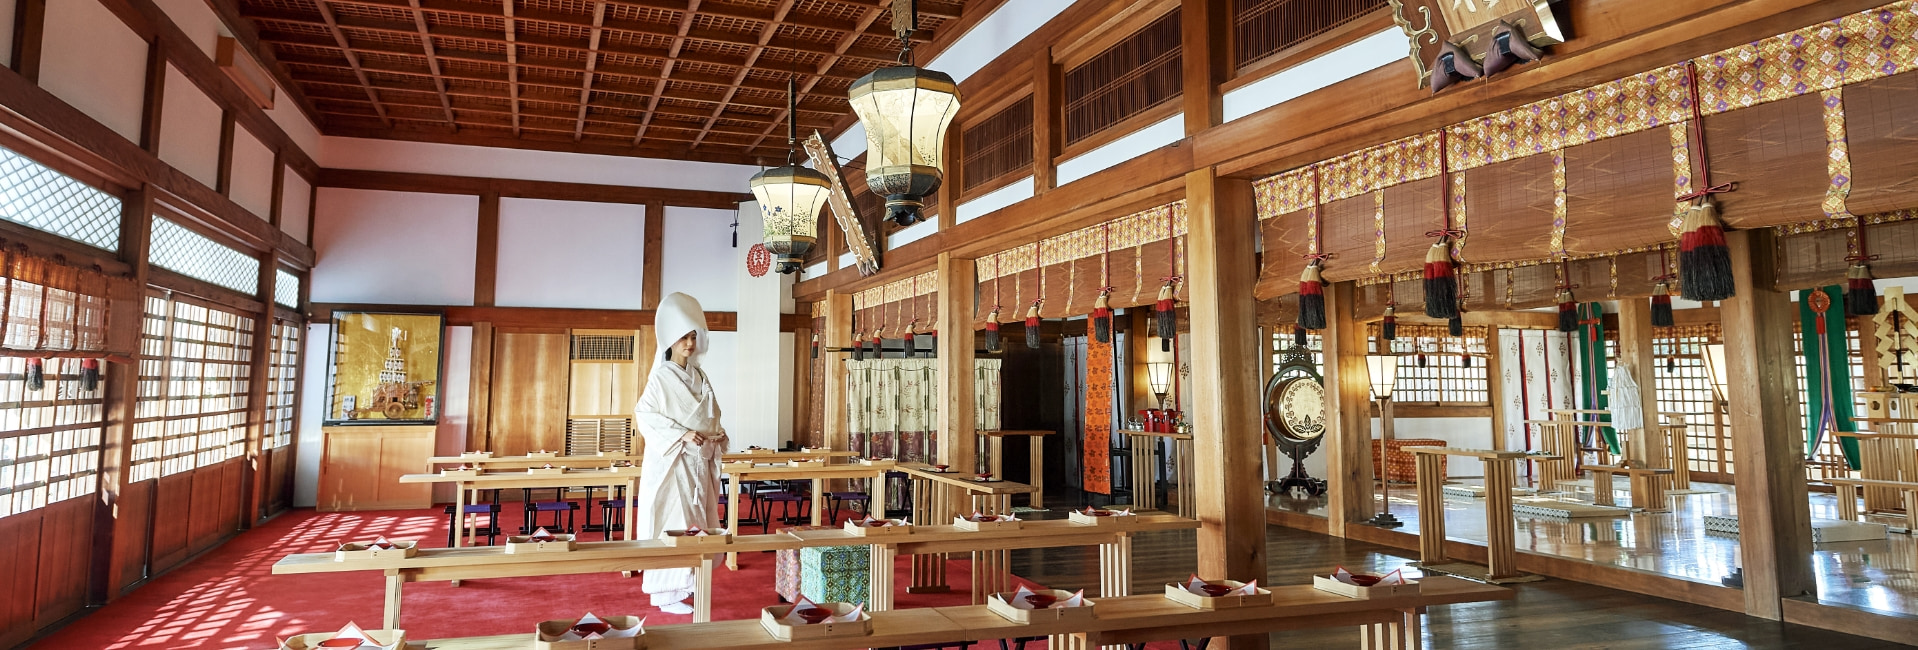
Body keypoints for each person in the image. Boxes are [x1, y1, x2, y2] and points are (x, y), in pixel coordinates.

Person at [633, 292, 728, 615]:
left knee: (696, 523)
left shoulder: (700, 375)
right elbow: (644, 414)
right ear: (670, 340)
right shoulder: (661, 377)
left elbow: (711, 415)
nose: (689, 343)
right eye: (683, 337)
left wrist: (718, 433)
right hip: (673, 463)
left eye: (693, 337)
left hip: (698, 462)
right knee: (674, 522)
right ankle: (664, 593)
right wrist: (681, 433)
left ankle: (687, 583)